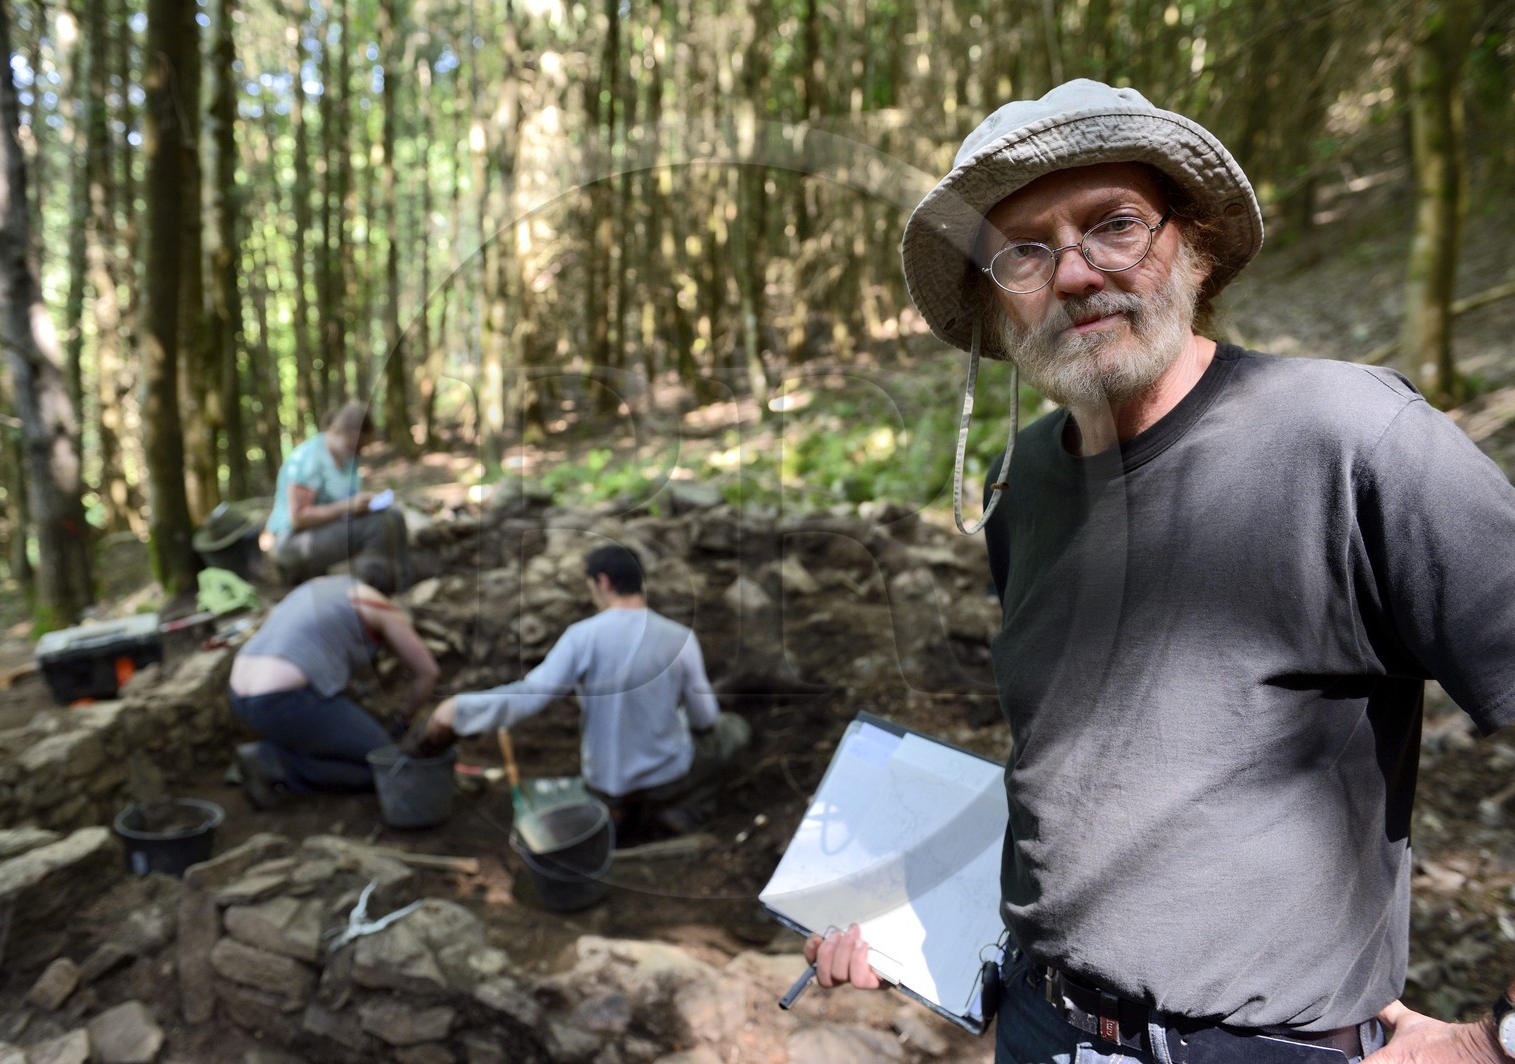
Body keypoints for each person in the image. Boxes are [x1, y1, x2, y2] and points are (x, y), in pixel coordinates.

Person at [806, 79, 1515, 1064]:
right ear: (989, 299)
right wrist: (915, 924)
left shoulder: (1351, 438)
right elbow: (1072, 769)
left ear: (1193, 239)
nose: (1073, 273)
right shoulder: (1028, 483)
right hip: (1041, 1026)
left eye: (1114, 225)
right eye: (1021, 249)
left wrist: (1498, 1039)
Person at [426, 544, 752, 838]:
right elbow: (705, 719)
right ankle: (686, 810)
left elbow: (532, 695)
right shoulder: (679, 636)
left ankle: (615, 811)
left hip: (604, 782)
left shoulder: (582, 636)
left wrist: (461, 709)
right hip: (666, 778)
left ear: (604, 582)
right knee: (732, 730)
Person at [228, 557, 439, 808]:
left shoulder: (321, 585)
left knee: (337, 736)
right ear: (387, 591)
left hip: (239, 692)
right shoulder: (380, 608)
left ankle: (277, 751)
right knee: (388, 765)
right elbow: (428, 673)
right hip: (283, 700)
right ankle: (277, 764)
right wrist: (404, 718)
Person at [265, 400, 411, 590]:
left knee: (394, 516)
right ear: (335, 432)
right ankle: (373, 590)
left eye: (361, 448)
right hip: (291, 540)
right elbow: (298, 517)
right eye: (354, 446)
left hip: (325, 529)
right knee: (377, 526)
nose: (358, 453)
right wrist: (348, 506)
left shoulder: (348, 458)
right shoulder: (309, 460)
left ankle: (402, 584)